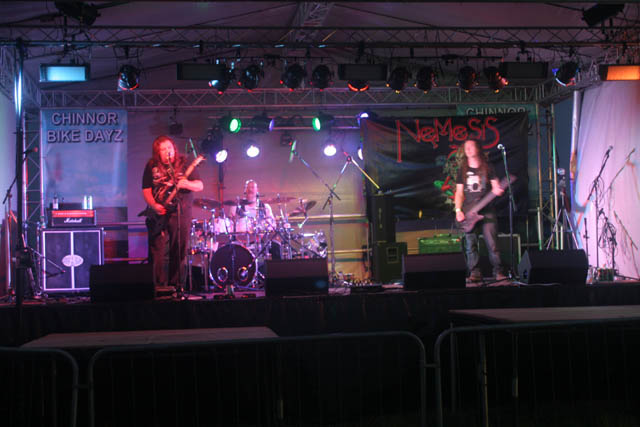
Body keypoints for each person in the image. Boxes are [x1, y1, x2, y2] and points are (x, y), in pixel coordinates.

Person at [142, 135, 204, 295]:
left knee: (179, 249)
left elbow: (199, 185)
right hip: (158, 213)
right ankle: (157, 287)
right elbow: (146, 189)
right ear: (158, 152)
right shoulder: (152, 165)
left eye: (169, 147)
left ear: (174, 149)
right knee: (157, 251)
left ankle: (176, 286)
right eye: (163, 149)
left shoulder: (184, 163)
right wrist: (154, 205)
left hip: (180, 212)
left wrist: (187, 183)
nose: (167, 151)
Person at [454, 139, 507, 283]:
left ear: (478, 149)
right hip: (469, 211)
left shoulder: (488, 167)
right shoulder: (462, 170)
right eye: (466, 147)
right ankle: (475, 273)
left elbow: (496, 187)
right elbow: (459, 193)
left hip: (487, 210)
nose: (468, 149)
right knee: (470, 244)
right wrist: (458, 210)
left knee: (493, 243)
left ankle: (499, 272)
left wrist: (498, 190)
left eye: (471, 146)